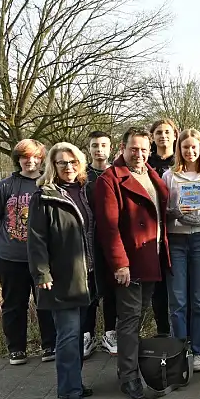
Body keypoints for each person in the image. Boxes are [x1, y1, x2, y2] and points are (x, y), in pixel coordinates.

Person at [94, 128, 171, 399]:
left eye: (143, 149)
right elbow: (108, 228)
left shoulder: (151, 174)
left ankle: (129, 368)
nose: (139, 154)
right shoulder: (109, 180)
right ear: (123, 148)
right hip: (130, 263)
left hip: (152, 256)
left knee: (138, 317)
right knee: (128, 320)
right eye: (133, 149)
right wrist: (120, 264)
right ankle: (129, 378)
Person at [27, 142, 97, 399]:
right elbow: (36, 240)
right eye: (61, 163)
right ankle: (68, 389)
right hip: (60, 277)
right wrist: (41, 272)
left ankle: (75, 383)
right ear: (52, 167)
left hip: (87, 274)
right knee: (68, 334)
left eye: (72, 162)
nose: (68, 167)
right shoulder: (44, 197)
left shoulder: (85, 191)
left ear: (80, 163)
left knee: (79, 333)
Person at [0, 139, 56, 365]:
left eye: (35, 156)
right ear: (18, 159)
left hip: (43, 258)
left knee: (45, 302)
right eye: (25, 156)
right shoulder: (5, 186)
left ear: (42, 158)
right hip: (10, 257)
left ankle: (50, 345)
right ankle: (16, 348)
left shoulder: (49, 185)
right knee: (14, 303)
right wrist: (13, 237)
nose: (30, 161)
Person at [162, 129, 200, 372]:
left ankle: (198, 351)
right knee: (178, 301)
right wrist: (175, 213)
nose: (190, 151)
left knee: (199, 299)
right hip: (176, 240)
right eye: (185, 147)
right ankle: (179, 350)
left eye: (194, 147)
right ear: (179, 149)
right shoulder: (169, 175)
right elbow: (164, 208)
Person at [83, 131, 115, 358]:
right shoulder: (82, 176)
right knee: (90, 288)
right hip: (88, 241)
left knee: (112, 288)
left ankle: (111, 332)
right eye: (95, 145)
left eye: (104, 145)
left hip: (112, 240)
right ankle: (87, 334)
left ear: (110, 148)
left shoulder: (117, 173)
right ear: (89, 149)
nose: (99, 149)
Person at [148, 118, 178, 337]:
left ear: (175, 135)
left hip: (178, 229)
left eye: (167, 132)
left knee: (178, 283)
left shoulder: (184, 160)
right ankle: (162, 330)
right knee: (158, 285)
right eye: (159, 132)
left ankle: (181, 332)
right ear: (153, 137)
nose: (163, 136)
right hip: (153, 230)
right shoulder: (146, 163)